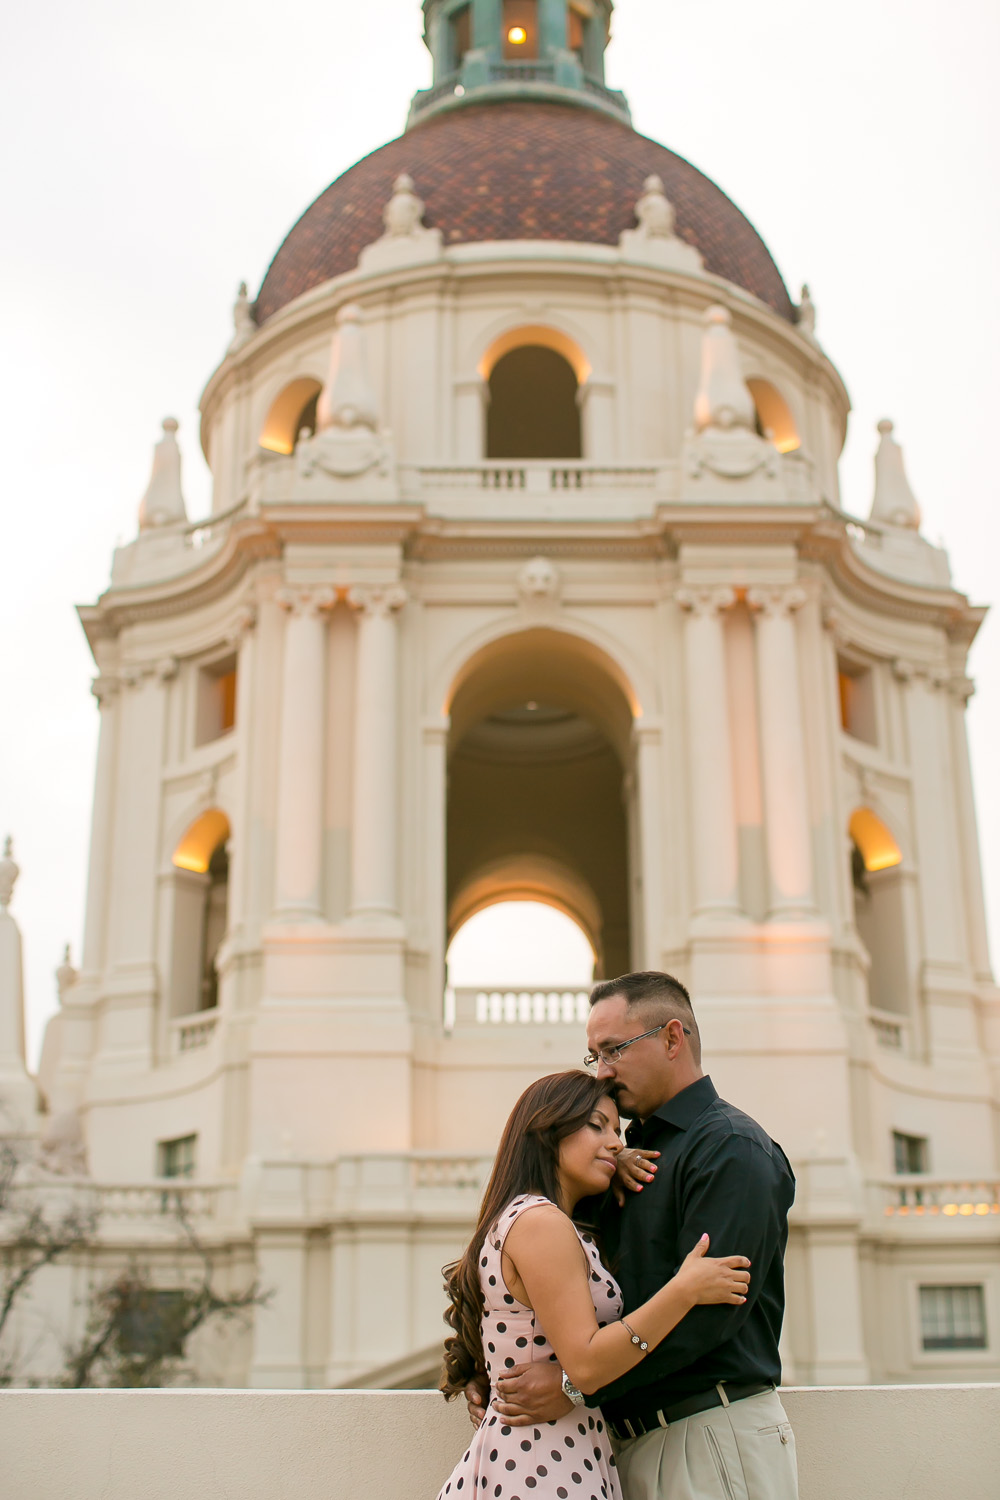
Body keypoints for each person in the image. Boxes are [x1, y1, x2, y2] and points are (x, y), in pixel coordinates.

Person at [466, 972, 799, 1500]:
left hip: (708, 1435)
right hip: (622, 1448)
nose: (603, 1070)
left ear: (672, 1038)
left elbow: (710, 1316)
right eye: (593, 1055)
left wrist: (577, 1386)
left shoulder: (732, 1149)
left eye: (613, 1049)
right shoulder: (622, 1166)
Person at [438, 1069, 753, 1500]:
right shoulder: (541, 1224)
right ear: (548, 1131)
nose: (617, 1142)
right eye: (596, 1125)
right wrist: (683, 1291)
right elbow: (584, 1364)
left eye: (617, 1129)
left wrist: (608, 1157)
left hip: (550, 1456)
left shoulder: (534, 1218)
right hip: (543, 1466)